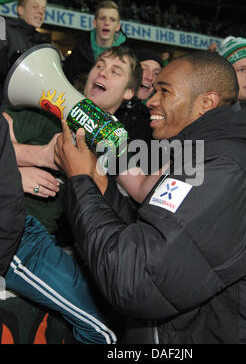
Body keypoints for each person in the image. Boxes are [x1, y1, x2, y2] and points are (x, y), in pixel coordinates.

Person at [55, 50, 246, 344]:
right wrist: (99, 187)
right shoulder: (206, 155)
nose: (151, 101)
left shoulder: (221, 168)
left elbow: (135, 280)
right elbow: (150, 235)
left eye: (165, 91)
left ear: (205, 103)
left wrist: (81, 181)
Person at [0, 45, 143, 345]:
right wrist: (23, 168)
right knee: (103, 329)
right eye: (100, 64)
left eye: (115, 71)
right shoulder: (50, 111)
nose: (102, 71)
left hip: (50, 239)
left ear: (130, 93)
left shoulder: (121, 145)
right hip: (20, 233)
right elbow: (4, 137)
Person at [0, 0, 47, 106]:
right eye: (35, 7)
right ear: (20, 10)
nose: (40, 12)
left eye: (43, 9)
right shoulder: (4, 30)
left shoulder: (42, 44)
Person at [63, 0, 127, 86]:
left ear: (118, 26)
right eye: (102, 18)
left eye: (112, 20)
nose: (107, 23)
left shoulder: (127, 56)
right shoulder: (78, 52)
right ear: (94, 23)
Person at [114, 48, 163, 146]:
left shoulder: (152, 121)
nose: (150, 77)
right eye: (144, 69)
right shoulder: (107, 104)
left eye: (156, 73)